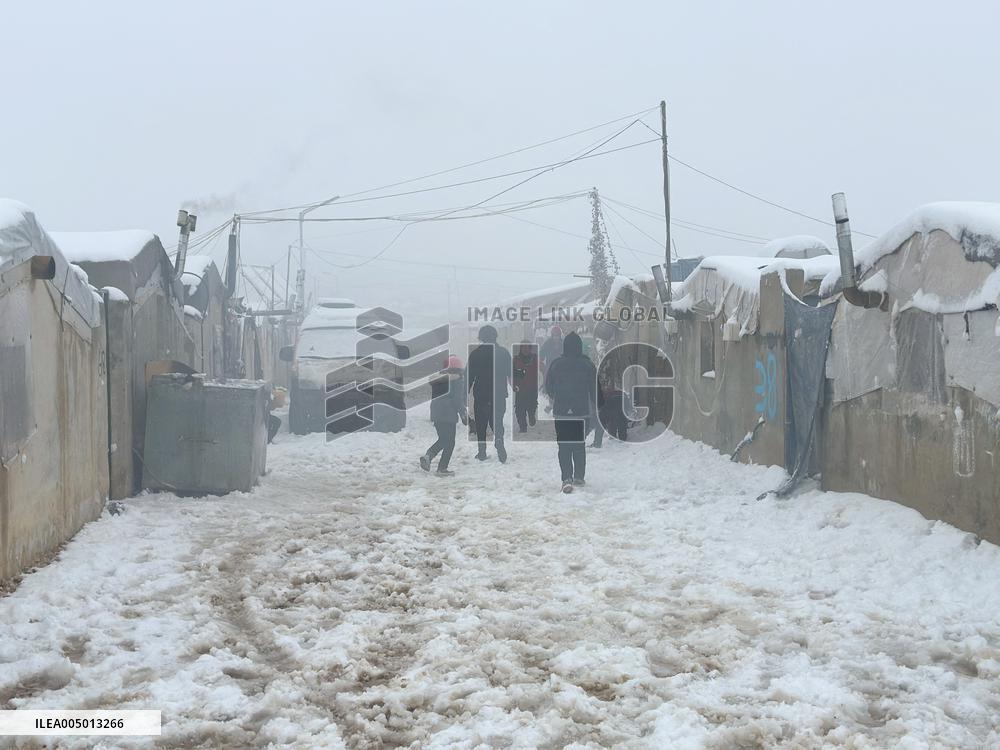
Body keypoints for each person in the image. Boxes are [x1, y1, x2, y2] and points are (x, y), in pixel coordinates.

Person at [544, 331, 603, 493]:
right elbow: (595, 389)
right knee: (578, 444)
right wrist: (598, 405)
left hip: (561, 412)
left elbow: (548, 387)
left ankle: (566, 478)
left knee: (563, 446)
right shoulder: (587, 364)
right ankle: (579, 476)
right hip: (581, 412)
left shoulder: (556, 364)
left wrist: (556, 397)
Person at [466, 325, 512, 462]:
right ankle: (499, 440)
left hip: (481, 394)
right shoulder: (503, 353)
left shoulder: (475, 354)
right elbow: (510, 373)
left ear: (481, 338)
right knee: (497, 421)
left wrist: (464, 393)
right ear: (495, 336)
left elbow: (469, 376)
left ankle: (481, 452)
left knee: (481, 423)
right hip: (498, 394)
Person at [420, 355, 468, 476]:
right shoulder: (457, 381)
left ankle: (428, 456)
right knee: (450, 442)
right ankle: (442, 468)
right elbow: (457, 399)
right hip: (448, 414)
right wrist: (463, 413)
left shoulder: (439, 380)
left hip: (436, 413)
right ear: (458, 370)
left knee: (443, 439)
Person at [512, 341, 539, 432]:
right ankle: (523, 427)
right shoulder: (516, 359)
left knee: (531, 407)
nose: (525, 350)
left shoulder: (535, 358)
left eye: (527, 348)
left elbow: (542, 369)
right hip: (520, 389)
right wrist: (513, 384)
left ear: (530, 349)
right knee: (519, 410)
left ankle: (531, 417)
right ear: (520, 349)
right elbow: (511, 373)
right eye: (523, 348)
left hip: (532, 389)